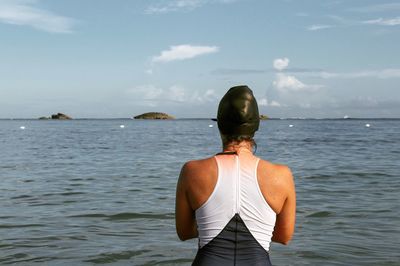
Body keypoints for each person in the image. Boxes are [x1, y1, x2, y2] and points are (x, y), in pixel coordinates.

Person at [175, 85, 296, 265]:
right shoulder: (281, 175)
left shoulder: (192, 171)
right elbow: (283, 236)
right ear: (256, 127)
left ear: (220, 125)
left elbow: (184, 232)